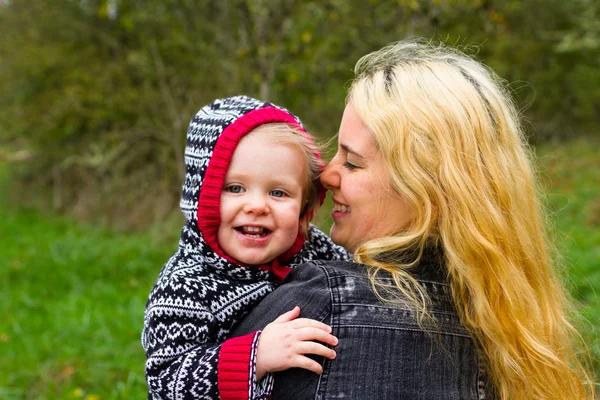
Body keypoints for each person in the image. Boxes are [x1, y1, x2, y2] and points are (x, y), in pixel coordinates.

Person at [232, 40, 596, 399]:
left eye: (353, 162)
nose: (327, 176)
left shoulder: (320, 309)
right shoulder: (504, 323)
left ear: (423, 190)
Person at [141, 95, 350, 400]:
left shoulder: (316, 249)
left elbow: (358, 282)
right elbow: (165, 382)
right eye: (235, 188)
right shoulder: (186, 286)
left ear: (304, 204)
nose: (256, 206)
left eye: (278, 192)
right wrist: (255, 357)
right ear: (203, 196)